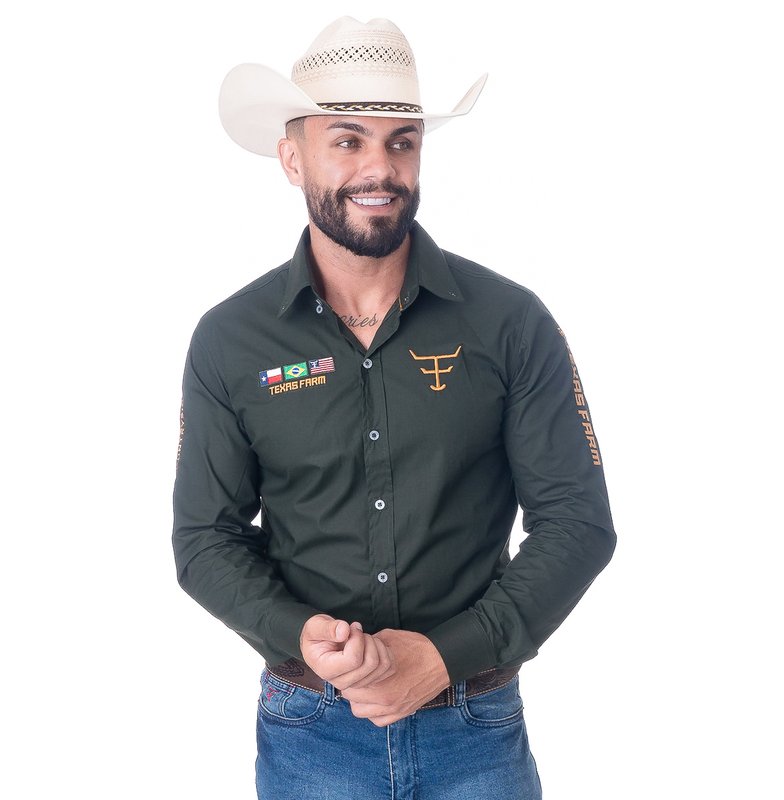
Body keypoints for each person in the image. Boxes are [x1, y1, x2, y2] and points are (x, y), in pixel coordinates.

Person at [173, 16, 616, 800]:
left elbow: (578, 524)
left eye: (401, 142)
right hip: (310, 734)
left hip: (476, 732)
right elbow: (205, 539)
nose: (380, 168)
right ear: (291, 157)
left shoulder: (510, 323)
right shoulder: (230, 340)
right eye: (347, 141)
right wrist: (300, 634)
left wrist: (442, 657)